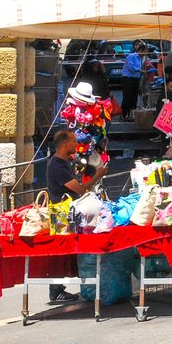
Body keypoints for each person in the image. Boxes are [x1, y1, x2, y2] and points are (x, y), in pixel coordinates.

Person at [46, 129, 107, 303]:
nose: (76, 144)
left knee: (67, 253)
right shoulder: (57, 166)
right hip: (61, 214)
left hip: (68, 211)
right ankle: (55, 290)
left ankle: (61, 288)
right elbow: (80, 189)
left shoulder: (64, 161)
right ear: (65, 145)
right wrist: (97, 176)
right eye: (73, 142)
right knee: (61, 253)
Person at [118, 41, 147, 113]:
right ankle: (124, 114)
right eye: (145, 52)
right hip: (128, 79)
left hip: (136, 79)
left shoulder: (141, 58)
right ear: (140, 50)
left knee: (134, 97)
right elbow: (131, 68)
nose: (146, 54)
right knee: (127, 97)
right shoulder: (131, 56)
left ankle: (132, 113)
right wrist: (140, 70)